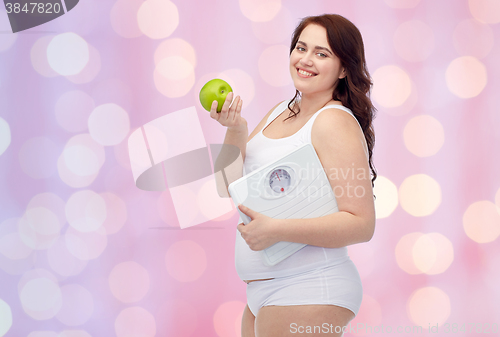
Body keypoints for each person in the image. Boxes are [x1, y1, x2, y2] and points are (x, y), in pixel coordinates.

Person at [210, 14, 377, 337]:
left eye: (322, 53)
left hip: (310, 285)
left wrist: (277, 230)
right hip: (265, 293)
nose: (306, 59)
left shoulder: (334, 122)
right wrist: (236, 129)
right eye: (301, 48)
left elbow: (361, 223)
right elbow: (226, 187)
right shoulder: (279, 113)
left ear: (344, 69)